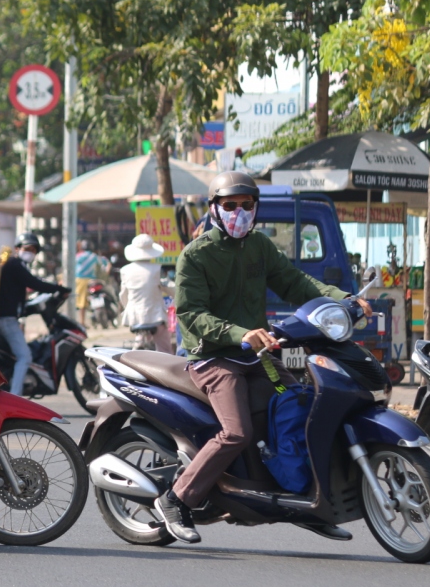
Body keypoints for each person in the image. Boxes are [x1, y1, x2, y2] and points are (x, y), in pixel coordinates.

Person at [157, 171, 371, 545]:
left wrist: (343, 299)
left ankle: (303, 503)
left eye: (246, 205)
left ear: (255, 208)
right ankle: (176, 498)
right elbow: (192, 315)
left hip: (261, 354)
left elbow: (297, 283)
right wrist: (241, 334)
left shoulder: (259, 247)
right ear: (214, 209)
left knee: (304, 406)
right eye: (230, 206)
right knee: (237, 431)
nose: (239, 212)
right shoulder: (196, 255)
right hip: (214, 358)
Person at [0, 233, 70, 396]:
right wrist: (58, 288)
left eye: (34, 250)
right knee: (25, 356)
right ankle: (15, 396)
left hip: (7, 318)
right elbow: (34, 283)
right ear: (17, 249)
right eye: (27, 249)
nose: (30, 252)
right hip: (6, 319)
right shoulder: (15, 264)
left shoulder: (15, 265)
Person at [118, 233, 175, 354]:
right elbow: (171, 289)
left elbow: (123, 295)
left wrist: (126, 308)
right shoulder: (157, 269)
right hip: (156, 317)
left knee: (139, 344)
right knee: (165, 350)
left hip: (135, 319)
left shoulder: (125, 270)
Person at [74, 240, 108, 326]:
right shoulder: (94, 256)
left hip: (79, 280)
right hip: (92, 281)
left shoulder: (78, 256)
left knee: (82, 302)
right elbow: (105, 262)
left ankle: (82, 322)